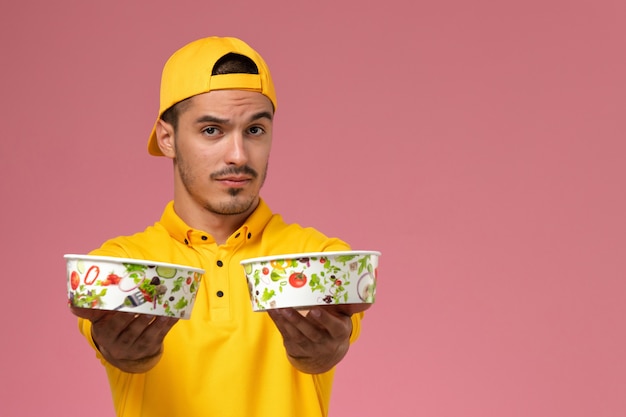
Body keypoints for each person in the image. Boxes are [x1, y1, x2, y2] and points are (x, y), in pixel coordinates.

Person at [70, 36, 364, 417]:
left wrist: (327, 349)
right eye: (212, 130)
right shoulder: (118, 266)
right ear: (167, 137)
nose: (238, 155)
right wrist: (116, 346)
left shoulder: (323, 260)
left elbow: (337, 333)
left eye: (255, 130)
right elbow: (105, 335)